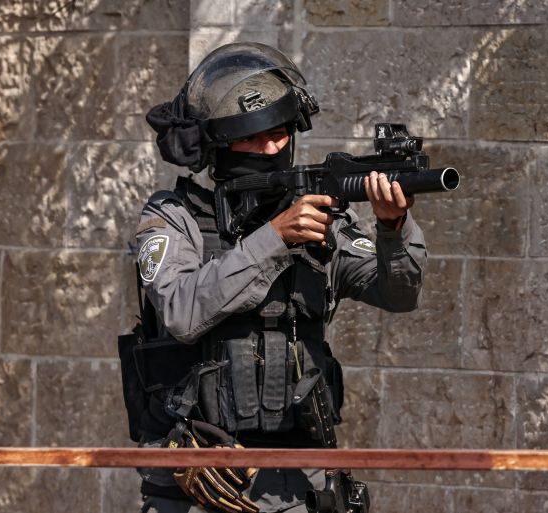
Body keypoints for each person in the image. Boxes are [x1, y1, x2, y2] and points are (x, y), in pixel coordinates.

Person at [122, 42, 427, 513]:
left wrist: (392, 228)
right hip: (201, 482)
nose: (270, 149)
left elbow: (399, 293)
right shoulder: (174, 218)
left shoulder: (318, 221)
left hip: (299, 481)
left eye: (280, 134)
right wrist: (274, 239)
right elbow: (182, 312)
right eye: (253, 139)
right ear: (218, 148)